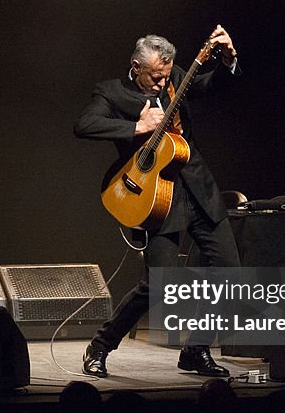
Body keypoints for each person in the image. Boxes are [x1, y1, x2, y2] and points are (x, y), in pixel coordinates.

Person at [73, 24, 242, 377]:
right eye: (155, 77)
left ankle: (196, 350)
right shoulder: (112, 93)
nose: (162, 83)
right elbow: (84, 124)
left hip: (199, 190)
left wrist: (227, 60)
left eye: (166, 76)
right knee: (157, 286)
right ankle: (100, 345)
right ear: (136, 67)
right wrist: (136, 127)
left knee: (230, 273)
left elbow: (212, 85)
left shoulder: (176, 77)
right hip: (157, 199)